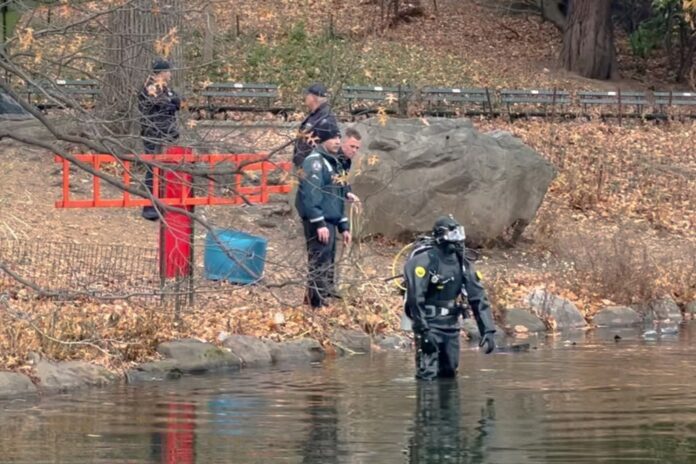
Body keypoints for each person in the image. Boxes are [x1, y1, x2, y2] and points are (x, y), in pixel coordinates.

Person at [403, 215, 496, 381]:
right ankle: (427, 405)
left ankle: (449, 406)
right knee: (428, 375)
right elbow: (415, 299)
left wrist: (487, 330)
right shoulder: (423, 261)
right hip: (429, 324)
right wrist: (423, 331)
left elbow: (478, 297)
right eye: (453, 235)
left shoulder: (462, 264)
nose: (458, 240)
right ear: (440, 237)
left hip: (451, 326)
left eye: (460, 234)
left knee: (449, 373)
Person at [295, 118, 351, 308]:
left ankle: (323, 295)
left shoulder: (333, 162)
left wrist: (343, 225)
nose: (337, 141)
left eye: (338, 137)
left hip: (330, 220)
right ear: (323, 140)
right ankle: (315, 302)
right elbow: (312, 194)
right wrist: (319, 222)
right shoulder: (315, 163)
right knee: (319, 260)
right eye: (333, 137)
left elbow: (337, 196)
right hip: (319, 221)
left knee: (328, 260)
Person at [138, 57, 181, 221]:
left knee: (165, 170)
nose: (170, 74)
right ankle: (149, 207)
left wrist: (172, 102)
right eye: (168, 71)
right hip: (153, 133)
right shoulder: (149, 87)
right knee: (153, 170)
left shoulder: (166, 89)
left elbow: (177, 102)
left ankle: (163, 204)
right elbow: (160, 105)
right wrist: (170, 102)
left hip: (167, 133)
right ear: (161, 73)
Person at [292, 83, 338, 168]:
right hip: (304, 164)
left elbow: (332, 145)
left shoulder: (325, 117)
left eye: (307, 95)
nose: (305, 97)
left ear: (313, 97)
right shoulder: (316, 114)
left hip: (314, 168)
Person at [337, 126, 362, 206]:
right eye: (352, 146)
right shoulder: (333, 158)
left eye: (357, 148)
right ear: (342, 143)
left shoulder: (347, 160)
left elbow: (343, 180)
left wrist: (348, 193)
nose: (354, 150)